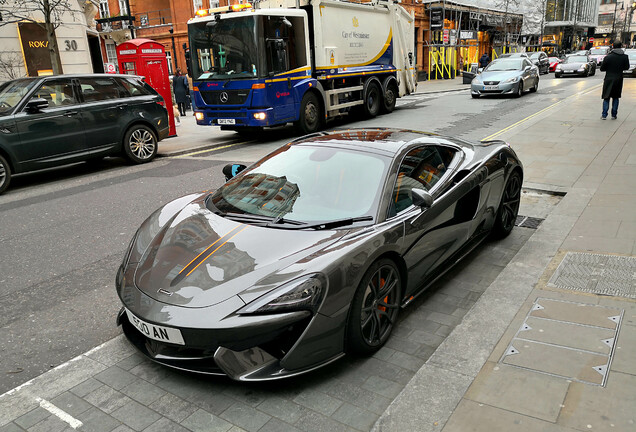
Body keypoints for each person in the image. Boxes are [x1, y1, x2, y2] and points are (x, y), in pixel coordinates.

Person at [600, 41, 630, 120]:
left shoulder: (608, 57)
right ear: (621, 46)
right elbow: (626, 67)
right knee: (616, 97)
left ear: (613, 47)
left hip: (609, 79)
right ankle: (614, 115)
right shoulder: (625, 57)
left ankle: (604, 114)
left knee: (606, 97)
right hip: (618, 78)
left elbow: (602, 69)